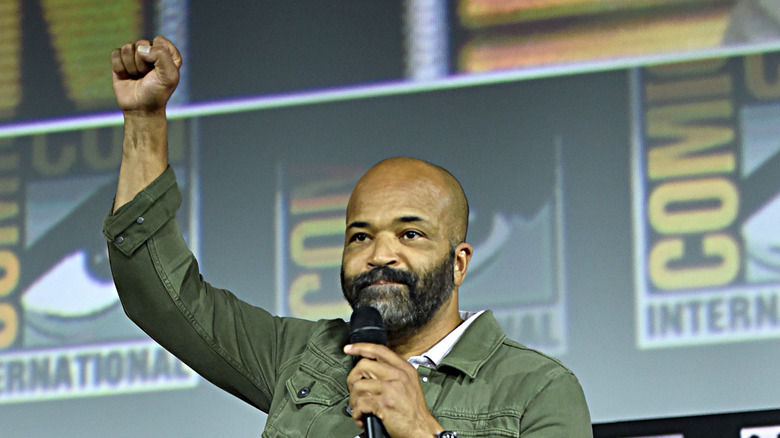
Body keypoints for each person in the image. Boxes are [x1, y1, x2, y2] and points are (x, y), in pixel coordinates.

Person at [104, 36, 592, 437]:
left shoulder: (536, 389)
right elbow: (162, 296)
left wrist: (422, 430)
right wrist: (145, 122)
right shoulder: (300, 355)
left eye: (411, 234)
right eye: (360, 237)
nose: (380, 254)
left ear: (459, 261)